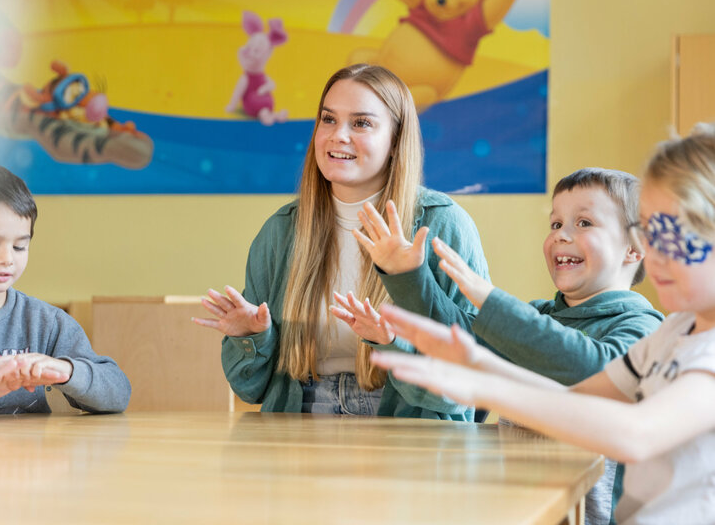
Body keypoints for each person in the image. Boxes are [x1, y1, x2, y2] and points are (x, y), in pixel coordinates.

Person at [372, 123, 715, 524]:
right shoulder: (674, 333)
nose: (654, 254)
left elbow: (635, 434)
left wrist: (488, 385)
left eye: (674, 236)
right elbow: (576, 398)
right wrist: (479, 365)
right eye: (650, 233)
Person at [334, 167, 664, 525]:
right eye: (555, 224)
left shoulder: (642, 326)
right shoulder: (537, 315)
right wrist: (409, 277)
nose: (562, 235)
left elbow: (597, 371)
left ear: (634, 249)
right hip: (522, 508)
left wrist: (491, 300)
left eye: (584, 223)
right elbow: (463, 341)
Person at [193, 64, 489, 419]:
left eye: (361, 123)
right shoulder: (282, 230)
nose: (338, 136)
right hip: (300, 416)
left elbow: (470, 383)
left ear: (395, 141)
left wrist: (393, 346)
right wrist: (252, 337)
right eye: (328, 120)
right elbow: (250, 389)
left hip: (408, 418)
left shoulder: (442, 224)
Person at [0, 161, 131, 415]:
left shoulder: (46, 322)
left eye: (20, 246)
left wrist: (67, 371)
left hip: (28, 453)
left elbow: (119, 393)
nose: (7, 259)